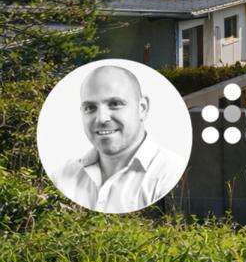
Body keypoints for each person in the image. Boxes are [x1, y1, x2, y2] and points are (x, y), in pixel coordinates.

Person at [51, 64, 187, 214]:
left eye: (115, 104)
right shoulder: (63, 176)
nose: (101, 118)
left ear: (142, 108)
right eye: (90, 107)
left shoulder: (170, 174)